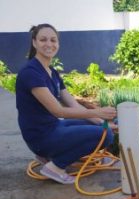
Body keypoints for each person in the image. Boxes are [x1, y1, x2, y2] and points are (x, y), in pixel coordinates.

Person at [15, 24, 116, 184]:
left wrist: (102, 122)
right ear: (34, 43)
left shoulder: (52, 72)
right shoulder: (31, 73)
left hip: (53, 127)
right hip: (40, 136)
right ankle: (55, 166)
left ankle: (48, 156)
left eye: (53, 40)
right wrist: (97, 112)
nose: (49, 44)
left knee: (101, 129)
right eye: (43, 39)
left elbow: (72, 104)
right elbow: (58, 111)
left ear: (58, 44)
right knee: (107, 137)